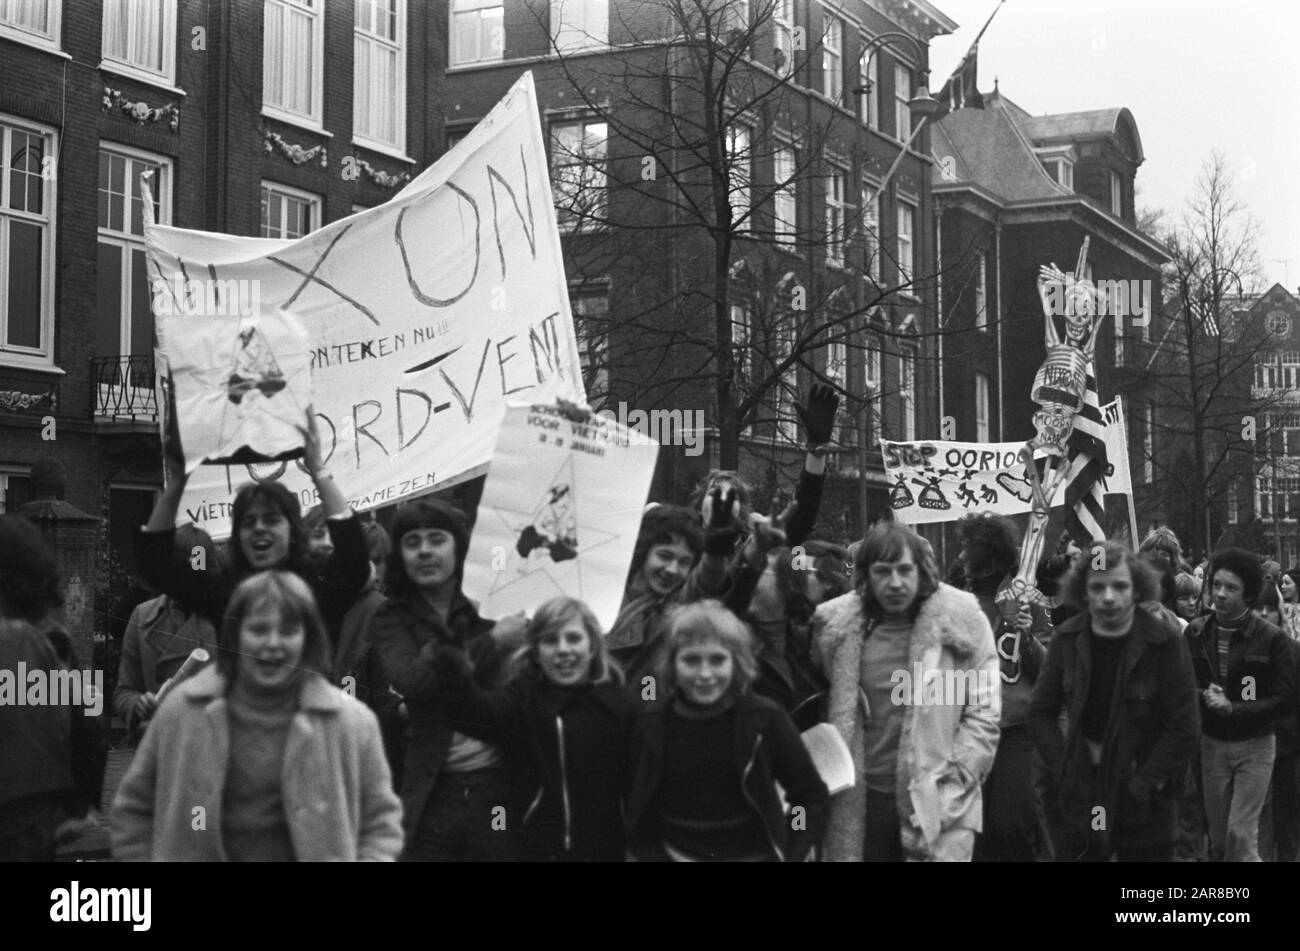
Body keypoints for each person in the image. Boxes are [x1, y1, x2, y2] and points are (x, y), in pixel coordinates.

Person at [110, 571, 403, 861]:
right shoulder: (183, 711)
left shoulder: (353, 723)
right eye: (259, 629)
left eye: (288, 631)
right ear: (234, 636)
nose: (272, 643)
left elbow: (380, 822)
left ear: (309, 639)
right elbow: (133, 810)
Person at [813, 521, 1001, 862]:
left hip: (937, 802)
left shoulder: (963, 623)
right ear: (865, 576)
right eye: (883, 571)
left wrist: (953, 786)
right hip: (860, 804)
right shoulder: (835, 631)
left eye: (904, 570)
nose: (895, 582)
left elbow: (984, 714)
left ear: (922, 572)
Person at [370, 499, 523, 861]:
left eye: (436, 540)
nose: (425, 551)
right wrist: (494, 642)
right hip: (433, 789)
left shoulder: (491, 602)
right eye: (412, 542)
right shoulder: (390, 617)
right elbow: (414, 683)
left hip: (498, 786)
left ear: (459, 546)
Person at [1028, 541, 1200, 861]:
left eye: (1119, 586)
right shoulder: (1066, 638)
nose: (1108, 597)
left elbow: (1185, 726)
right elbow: (1039, 713)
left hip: (1146, 801)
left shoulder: (1165, 642)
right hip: (1082, 796)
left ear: (1137, 590)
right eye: (1097, 587)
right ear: (1083, 592)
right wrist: (1063, 769)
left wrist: (1143, 784)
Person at [135, 411, 371, 637]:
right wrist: (177, 480)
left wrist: (318, 468)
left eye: (271, 519)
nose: (259, 528)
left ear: (293, 530)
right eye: (248, 522)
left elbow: (354, 556)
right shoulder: (223, 592)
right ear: (238, 536)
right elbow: (156, 564)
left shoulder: (318, 584)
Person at [429, 597, 632, 861]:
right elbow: (476, 712)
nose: (563, 649)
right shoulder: (523, 700)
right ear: (535, 651)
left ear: (592, 646)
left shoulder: (619, 705)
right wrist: (455, 674)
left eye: (573, 638)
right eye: (550, 640)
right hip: (534, 851)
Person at [625, 600, 828, 861]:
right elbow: (637, 808)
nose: (705, 674)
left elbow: (809, 796)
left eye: (718, 660)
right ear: (673, 664)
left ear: (737, 662)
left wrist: (791, 850)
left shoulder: (766, 719)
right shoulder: (651, 724)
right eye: (691, 660)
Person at [0, 516, 109, 860]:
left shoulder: (24, 641)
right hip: (37, 815)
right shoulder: (56, 640)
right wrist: (79, 806)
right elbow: (93, 719)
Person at [1186, 548, 1296, 861]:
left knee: (1240, 833)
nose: (1220, 594)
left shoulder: (1272, 639)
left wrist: (1235, 708)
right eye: (1216, 585)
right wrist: (1205, 697)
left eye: (1230, 588)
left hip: (1257, 744)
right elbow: (1181, 686)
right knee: (1220, 840)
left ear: (1247, 593)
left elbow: (1285, 698)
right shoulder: (1195, 633)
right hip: (1212, 744)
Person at [955, 514, 1051, 862]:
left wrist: (1026, 640)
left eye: (968, 549)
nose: (962, 557)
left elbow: (1049, 673)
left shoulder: (1029, 601)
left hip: (1016, 732)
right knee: (973, 830)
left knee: (1009, 824)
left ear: (991, 555)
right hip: (968, 731)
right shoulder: (954, 604)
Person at [113, 525, 224, 736]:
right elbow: (124, 690)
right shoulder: (142, 616)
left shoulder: (223, 620)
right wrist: (137, 704)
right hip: (156, 752)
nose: (185, 580)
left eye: (195, 571)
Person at [606, 505, 704, 686]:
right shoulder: (602, 593)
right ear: (643, 551)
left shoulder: (675, 618)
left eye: (684, 562)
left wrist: (646, 709)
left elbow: (649, 685)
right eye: (665, 556)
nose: (673, 570)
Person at [1279, 569, 1300, 640]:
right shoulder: (1281, 607)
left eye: (1287, 583)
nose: (1282, 586)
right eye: (1282, 583)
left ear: (1297, 585)